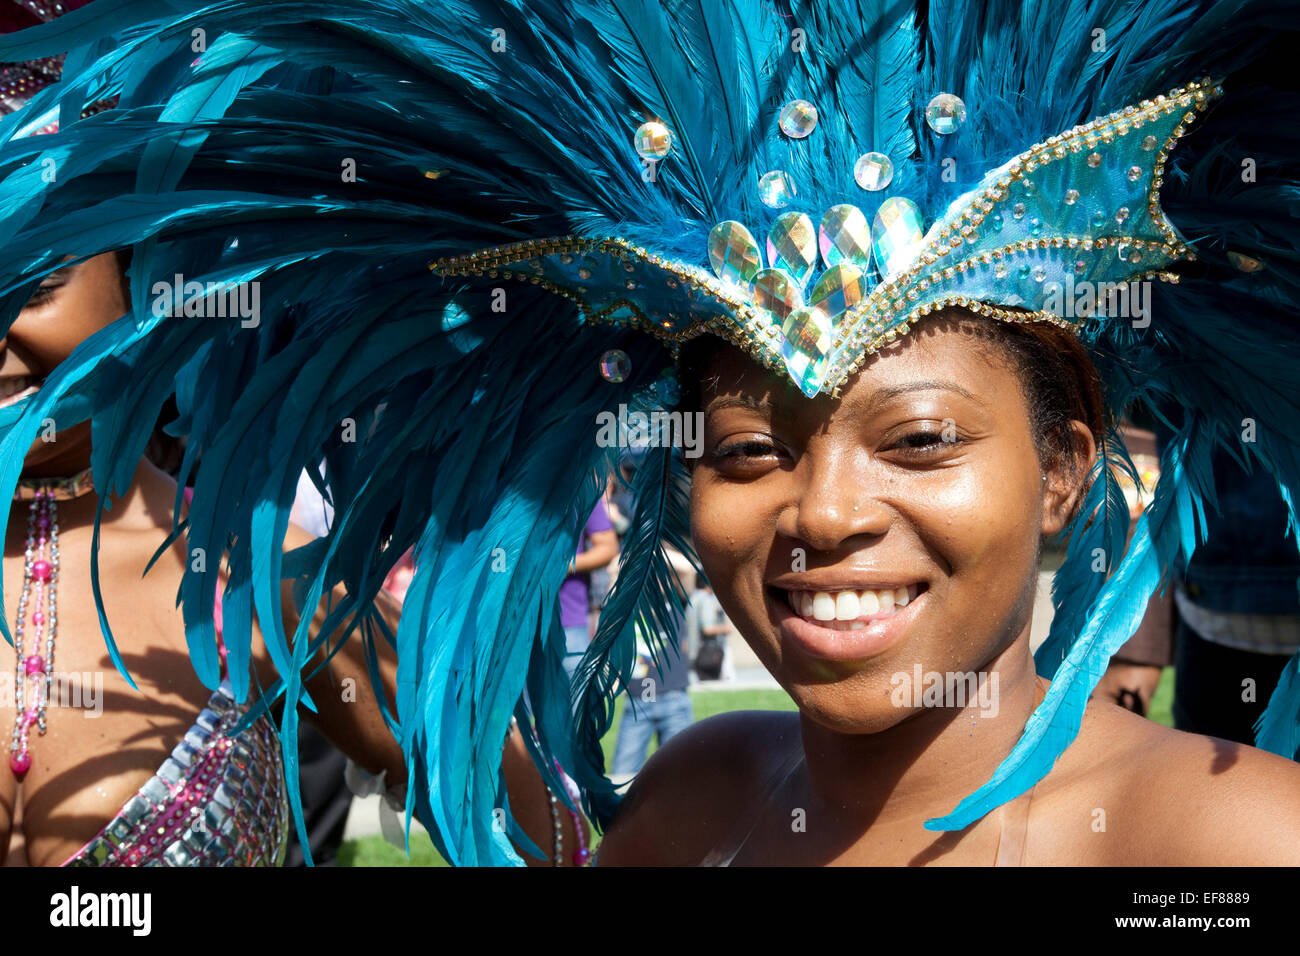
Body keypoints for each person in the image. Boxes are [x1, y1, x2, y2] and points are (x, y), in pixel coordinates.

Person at [2, 0, 1299, 867]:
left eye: (915, 441)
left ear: (1066, 461)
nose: (826, 512)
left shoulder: (1217, 845)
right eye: (748, 450)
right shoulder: (700, 805)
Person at [560, 500, 619, 683]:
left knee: (578, 708)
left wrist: (562, 565)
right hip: (506, 624)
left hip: (569, 622)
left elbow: (608, 547)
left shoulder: (580, 485)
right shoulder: (495, 479)